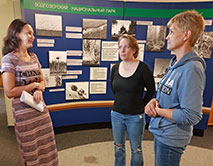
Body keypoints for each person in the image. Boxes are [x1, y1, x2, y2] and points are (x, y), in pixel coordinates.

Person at [145, 10, 206, 166]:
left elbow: (191, 115)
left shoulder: (192, 69)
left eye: (171, 32)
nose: (167, 37)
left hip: (172, 138)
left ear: (186, 35)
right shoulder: (175, 65)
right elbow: (167, 95)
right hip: (162, 131)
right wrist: (154, 101)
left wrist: (157, 111)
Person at [1, 19, 58, 166]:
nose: (33, 36)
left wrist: (39, 88)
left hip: (40, 109)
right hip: (24, 114)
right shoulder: (9, 59)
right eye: (29, 33)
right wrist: (33, 85)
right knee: (29, 148)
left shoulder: (34, 57)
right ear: (17, 35)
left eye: (33, 33)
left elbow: (43, 81)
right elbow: (9, 91)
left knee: (47, 144)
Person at [110, 34, 155, 166]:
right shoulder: (115, 68)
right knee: (118, 147)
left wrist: (141, 105)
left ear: (134, 50)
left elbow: (151, 90)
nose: (122, 51)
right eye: (120, 47)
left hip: (135, 116)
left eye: (126, 47)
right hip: (116, 114)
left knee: (136, 150)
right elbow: (114, 89)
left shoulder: (143, 68)